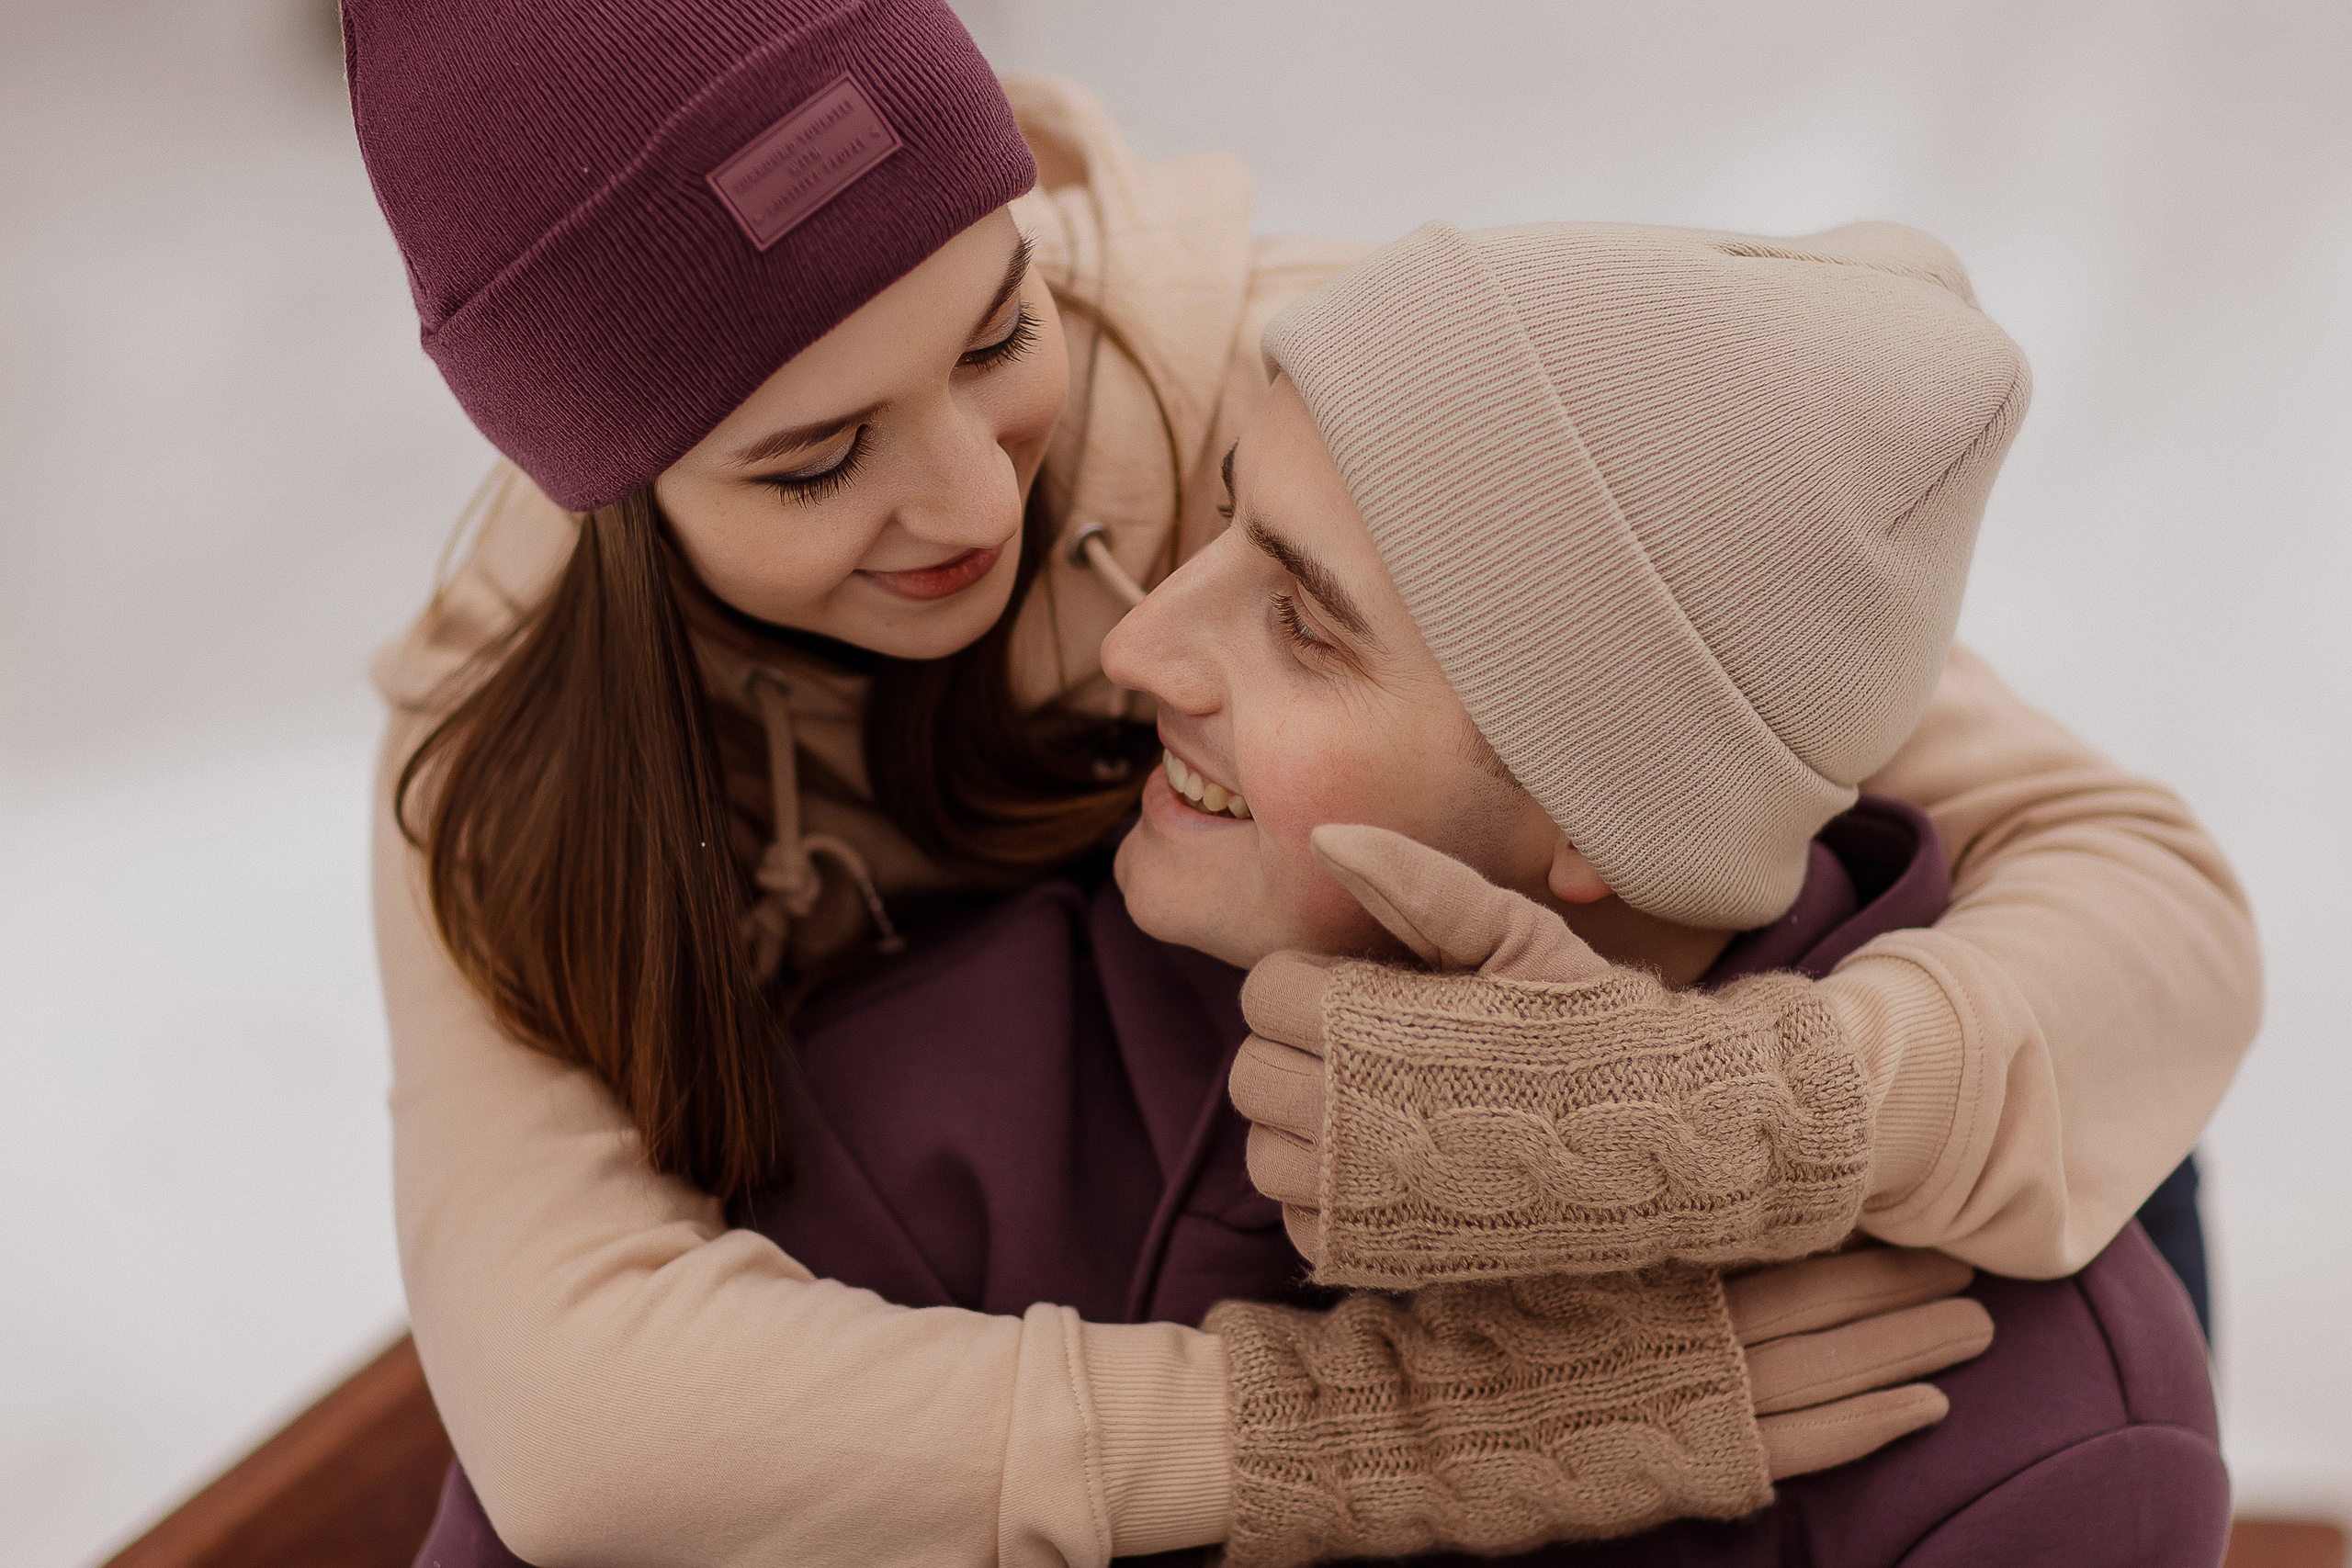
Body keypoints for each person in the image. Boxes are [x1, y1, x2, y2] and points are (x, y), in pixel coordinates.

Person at [345, 0, 2257, 1561]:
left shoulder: (1315, 405)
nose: (962, 499)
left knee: (2059, 1116)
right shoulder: (508, 770)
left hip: (1626, 1158)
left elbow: (2067, 860)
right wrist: (1386, 1433)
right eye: (810, 459)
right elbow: (581, 1409)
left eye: (998, 333)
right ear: (616, 483)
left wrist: (1708, 1110)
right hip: (1103, 1231)